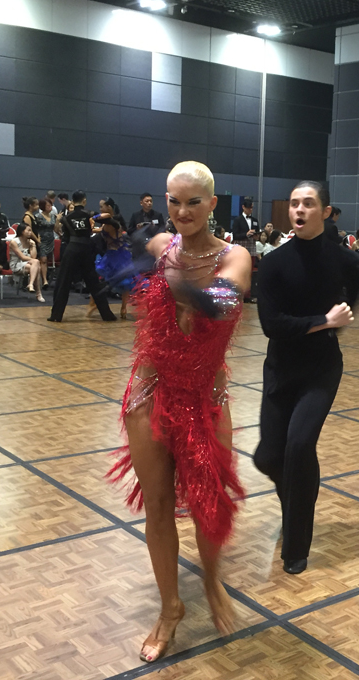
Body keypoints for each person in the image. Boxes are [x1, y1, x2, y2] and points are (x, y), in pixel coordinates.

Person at [106, 161, 252, 661]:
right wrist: (128, 254)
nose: (183, 211)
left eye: (193, 202)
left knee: (210, 504)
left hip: (205, 400)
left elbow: (222, 299)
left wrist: (178, 286)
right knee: (159, 504)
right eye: (174, 201)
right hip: (149, 394)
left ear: (212, 203)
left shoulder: (234, 256)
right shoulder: (160, 246)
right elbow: (135, 247)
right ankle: (170, 608)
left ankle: (212, 580)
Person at [254, 181, 359, 575]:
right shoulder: (274, 263)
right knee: (268, 457)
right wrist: (324, 321)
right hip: (280, 368)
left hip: (321, 369)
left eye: (309, 204)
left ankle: (296, 545)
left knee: (299, 446)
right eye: (295, 204)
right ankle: (294, 501)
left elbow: (350, 304)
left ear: (326, 212)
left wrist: (331, 325)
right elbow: (272, 325)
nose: (299, 210)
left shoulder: (346, 262)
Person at [48, 191, 116, 322]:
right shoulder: (90, 214)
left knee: (63, 282)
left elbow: (65, 236)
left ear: (73, 202)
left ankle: (56, 315)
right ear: (84, 201)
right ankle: (107, 315)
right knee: (94, 283)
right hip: (87, 249)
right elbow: (108, 219)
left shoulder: (66, 218)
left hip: (72, 249)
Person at [88, 217, 133, 319]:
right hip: (119, 256)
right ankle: (123, 308)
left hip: (114, 256)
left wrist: (92, 219)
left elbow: (97, 229)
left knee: (104, 281)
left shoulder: (110, 227)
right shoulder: (113, 227)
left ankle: (94, 302)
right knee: (124, 282)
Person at [9, 223, 45, 302]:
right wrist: (34, 261)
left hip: (28, 264)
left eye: (31, 231)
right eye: (28, 230)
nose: (30, 233)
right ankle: (38, 293)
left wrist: (33, 245)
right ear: (22, 231)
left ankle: (31, 284)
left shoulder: (30, 242)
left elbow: (33, 256)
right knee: (37, 267)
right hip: (16, 264)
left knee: (36, 266)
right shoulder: (14, 242)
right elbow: (22, 257)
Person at [30, 199, 56, 287]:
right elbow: (35, 229)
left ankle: (45, 277)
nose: (50, 207)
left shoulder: (53, 216)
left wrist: (58, 221)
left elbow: (55, 228)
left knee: (47, 260)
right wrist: (37, 239)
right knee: (43, 259)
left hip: (51, 240)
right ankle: (44, 280)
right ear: (43, 206)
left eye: (51, 205)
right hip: (42, 240)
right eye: (48, 205)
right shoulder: (38, 216)